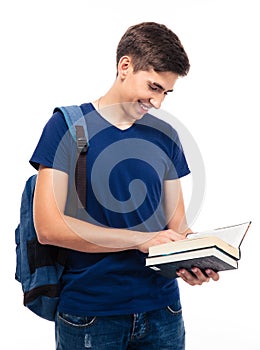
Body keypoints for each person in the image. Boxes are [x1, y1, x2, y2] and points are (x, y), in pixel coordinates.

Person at [31, 22, 219, 350]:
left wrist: (192, 257)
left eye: (166, 92)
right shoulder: (67, 126)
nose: (158, 102)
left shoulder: (165, 137)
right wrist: (140, 240)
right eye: (154, 87)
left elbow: (177, 227)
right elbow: (48, 227)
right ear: (125, 66)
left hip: (163, 311)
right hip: (91, 315)